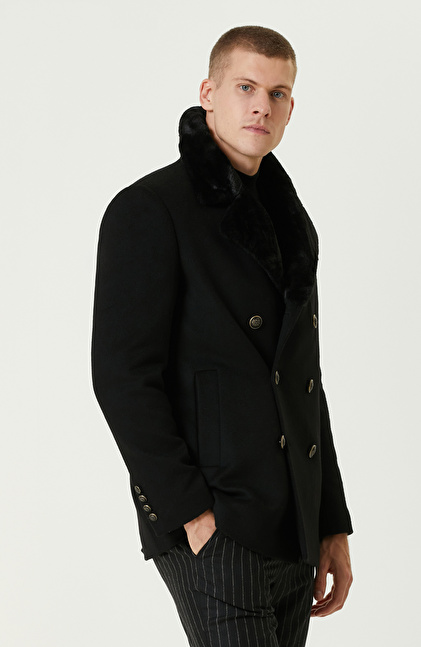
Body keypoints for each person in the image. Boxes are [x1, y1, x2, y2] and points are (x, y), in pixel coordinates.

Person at [92, 25, 353, 647]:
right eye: (245, 87)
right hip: (216, 519)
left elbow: (303, 381)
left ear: (291, 108)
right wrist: (190, 513)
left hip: (293, 521)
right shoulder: (149, 208)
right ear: (208, 93)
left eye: (278, 93)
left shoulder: (291, 224)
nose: (262, 106)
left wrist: (330, 521)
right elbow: (123, 377)